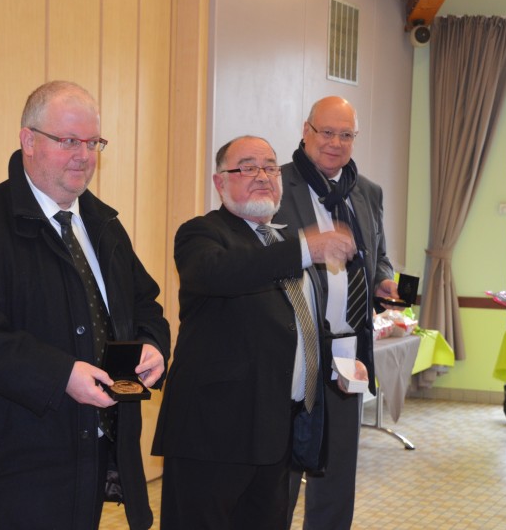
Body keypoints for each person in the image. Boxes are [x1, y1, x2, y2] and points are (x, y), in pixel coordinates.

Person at [0, 80, 170, 530]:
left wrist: (153, 345)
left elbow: (145, 304)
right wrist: (60, 376)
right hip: (9, 467)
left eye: (93, 142)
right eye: (68, 141)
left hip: (89, 453)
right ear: (28, 141)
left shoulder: (104, 227)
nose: (84, 155)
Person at [151, 135, 357, 530]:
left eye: (270, 167)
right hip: (213, 437)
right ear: (219, 182)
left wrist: (335, 367)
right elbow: (219, 273)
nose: (262, 176)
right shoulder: (202, 234)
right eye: (247, 167)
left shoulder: (282, 239)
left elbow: (298, 324)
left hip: (275, 431)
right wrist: (303, 248)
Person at [274, 96, 400, 530]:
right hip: (294, 353)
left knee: (338, 469)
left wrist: (382, 278)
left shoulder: (367, 191)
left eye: (345, 135)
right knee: (284, 469)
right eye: (326, 132)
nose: (335, 143)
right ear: (306, 130)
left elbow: (378, 255)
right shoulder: (276, 185)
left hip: (350, 352)